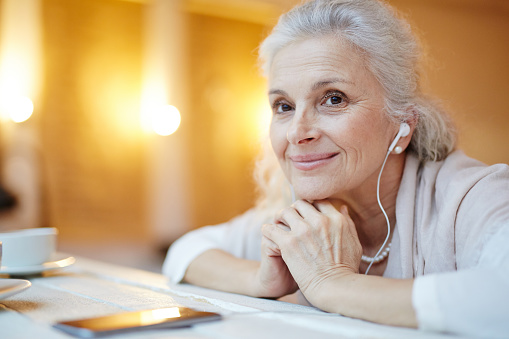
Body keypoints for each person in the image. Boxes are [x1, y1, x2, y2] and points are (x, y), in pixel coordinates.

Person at [163, 0, 509, 337]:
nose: (298, 132)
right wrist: (259, 279)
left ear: (402, 125)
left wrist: (333, 284)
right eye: (283, 106)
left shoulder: (475, 197)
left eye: (333, 99)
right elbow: (186, 251)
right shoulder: (298, 212)